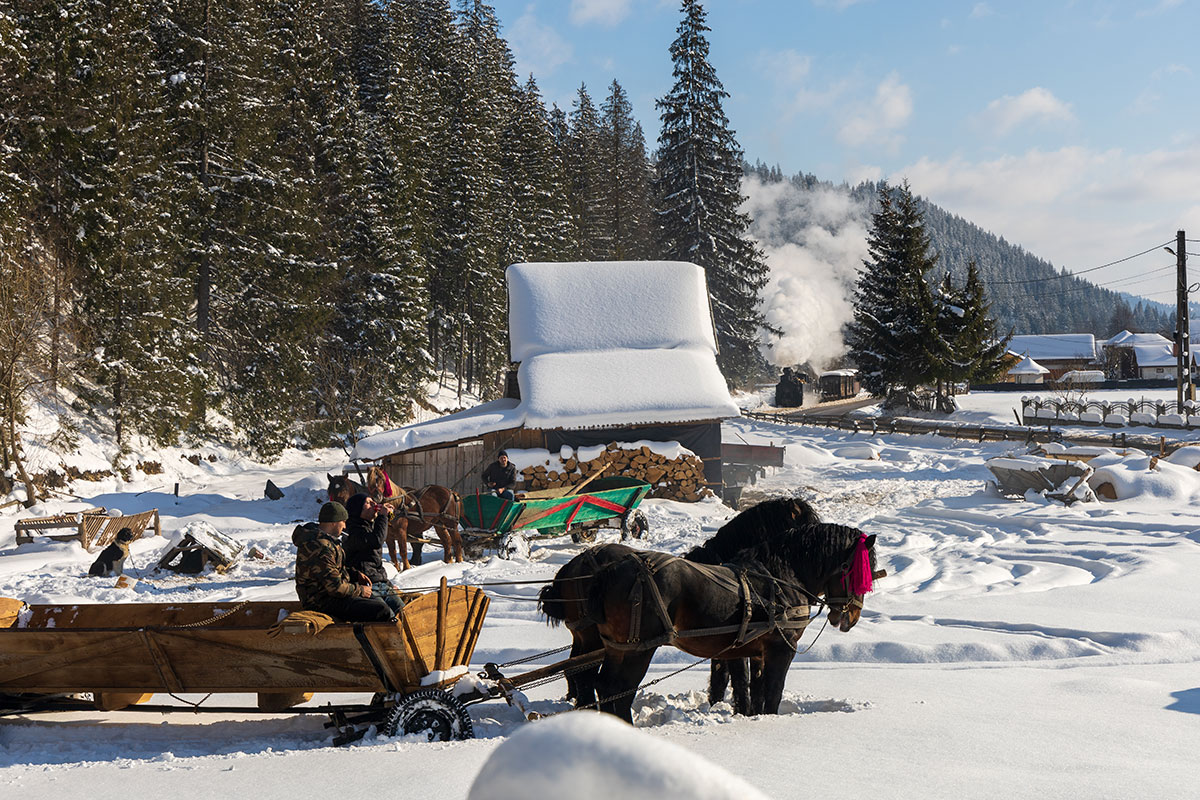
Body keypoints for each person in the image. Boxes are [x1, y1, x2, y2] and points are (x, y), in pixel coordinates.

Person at [293, 501, 394, 622]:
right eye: (343, 522)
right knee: (380, 610)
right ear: (334, 523)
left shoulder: (325, 541)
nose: (345, 526)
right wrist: (360, 590)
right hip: (321, 602)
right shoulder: (320, 547)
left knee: (376, 603)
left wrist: (354, 574)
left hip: (329, 597)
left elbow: (331, 570)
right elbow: (335, 588)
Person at [342, 492, 404, 615]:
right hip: (366, 587)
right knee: (388, 616)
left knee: (404, 612)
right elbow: (377, 541)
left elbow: (376, 562)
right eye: (368, 502)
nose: (374, 504)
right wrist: (382, 516)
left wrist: (388, 584)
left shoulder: (370, 527)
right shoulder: (353, 531)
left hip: (382, 585)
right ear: (358, 509)